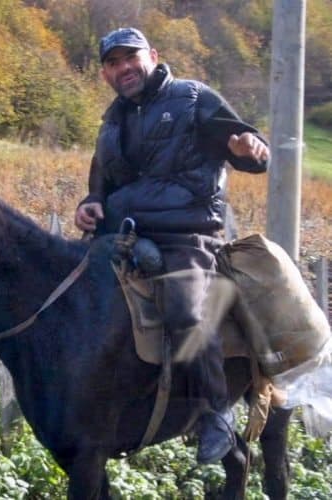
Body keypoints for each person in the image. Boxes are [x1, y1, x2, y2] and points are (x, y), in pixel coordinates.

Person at [75, 27, 270, 464]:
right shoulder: (112, 122)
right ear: (105, 73)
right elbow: (99, 186)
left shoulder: (193, 98)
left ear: (153, 55)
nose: (124, 68)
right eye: (113, 62)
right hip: (121, 236)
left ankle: (215, 412)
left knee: (184, 309)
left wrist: (246, 149)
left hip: (186, 233)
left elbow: (248, 146)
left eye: (131, 57)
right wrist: (89, 205)